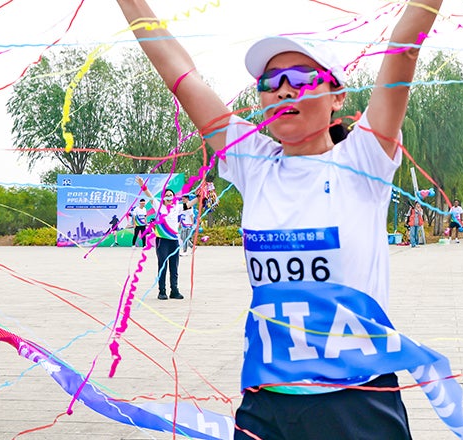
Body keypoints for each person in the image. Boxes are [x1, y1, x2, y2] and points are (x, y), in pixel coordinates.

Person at [117, 0, 443, 436]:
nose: (284, 90)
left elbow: (404, 47)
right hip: (267, 406)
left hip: (357, 405)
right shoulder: (253, 162)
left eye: (302, 78)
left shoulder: (363, 159)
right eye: (271, 82)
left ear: (338, 97)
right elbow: (181, 74)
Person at [139, 185, 184, 300]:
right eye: (167, 195)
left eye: (171, 195)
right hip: (162, 241)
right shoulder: (159, 206)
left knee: (174, 267)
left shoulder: (177, 207)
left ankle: (174, 290)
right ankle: (162, 291)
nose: (169, 197)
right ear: (163, 197)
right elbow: (150, 195)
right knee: (162, 266)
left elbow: (189, 204)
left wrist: (200, 197)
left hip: (174, 241)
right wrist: (142, 185)